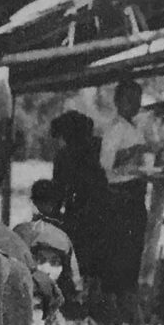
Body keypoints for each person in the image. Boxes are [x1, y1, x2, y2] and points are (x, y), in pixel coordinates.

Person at [13, 220, 93, 325]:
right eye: (39, 260)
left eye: (55, 263)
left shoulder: (51, 305)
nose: (47, 271)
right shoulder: (9, 296)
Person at [98, 80, 153, 300]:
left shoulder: (133, 128)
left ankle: (126, 295)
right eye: (129, 100)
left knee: (133, 246)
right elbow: (106, 163)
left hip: (135, 190)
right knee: (121, 248)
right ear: (118, 101)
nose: (134, 105)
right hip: (121, 192)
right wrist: (135, 150)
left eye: (137, 101)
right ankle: (115, 297)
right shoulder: (116, 129)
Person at [50, 111, 109, 290]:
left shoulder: (65, 155)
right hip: (104, 208)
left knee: (77, 251)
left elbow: (58, 191)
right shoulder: (99, 146)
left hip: (78, 211)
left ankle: (77, 290)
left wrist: (51, 217)